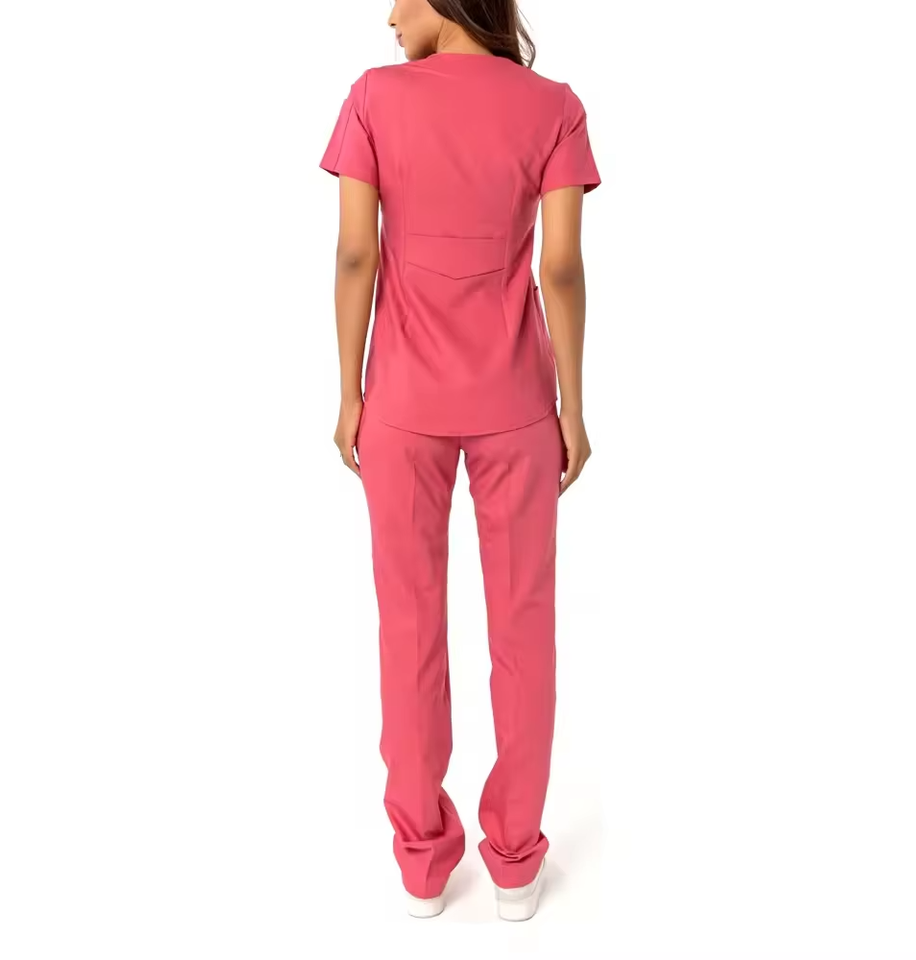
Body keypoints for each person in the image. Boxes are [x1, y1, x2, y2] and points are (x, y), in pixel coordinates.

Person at [319, 0, 600, 922]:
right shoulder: (553, 107)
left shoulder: (373, 99)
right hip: (517, 405)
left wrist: (351, 390)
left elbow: (356, 253)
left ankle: (422, 867)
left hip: (401, 407)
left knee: (407, 626)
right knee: (525, 628)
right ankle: (515, 864)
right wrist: (572, 406)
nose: (387, 16)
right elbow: (561, 266)